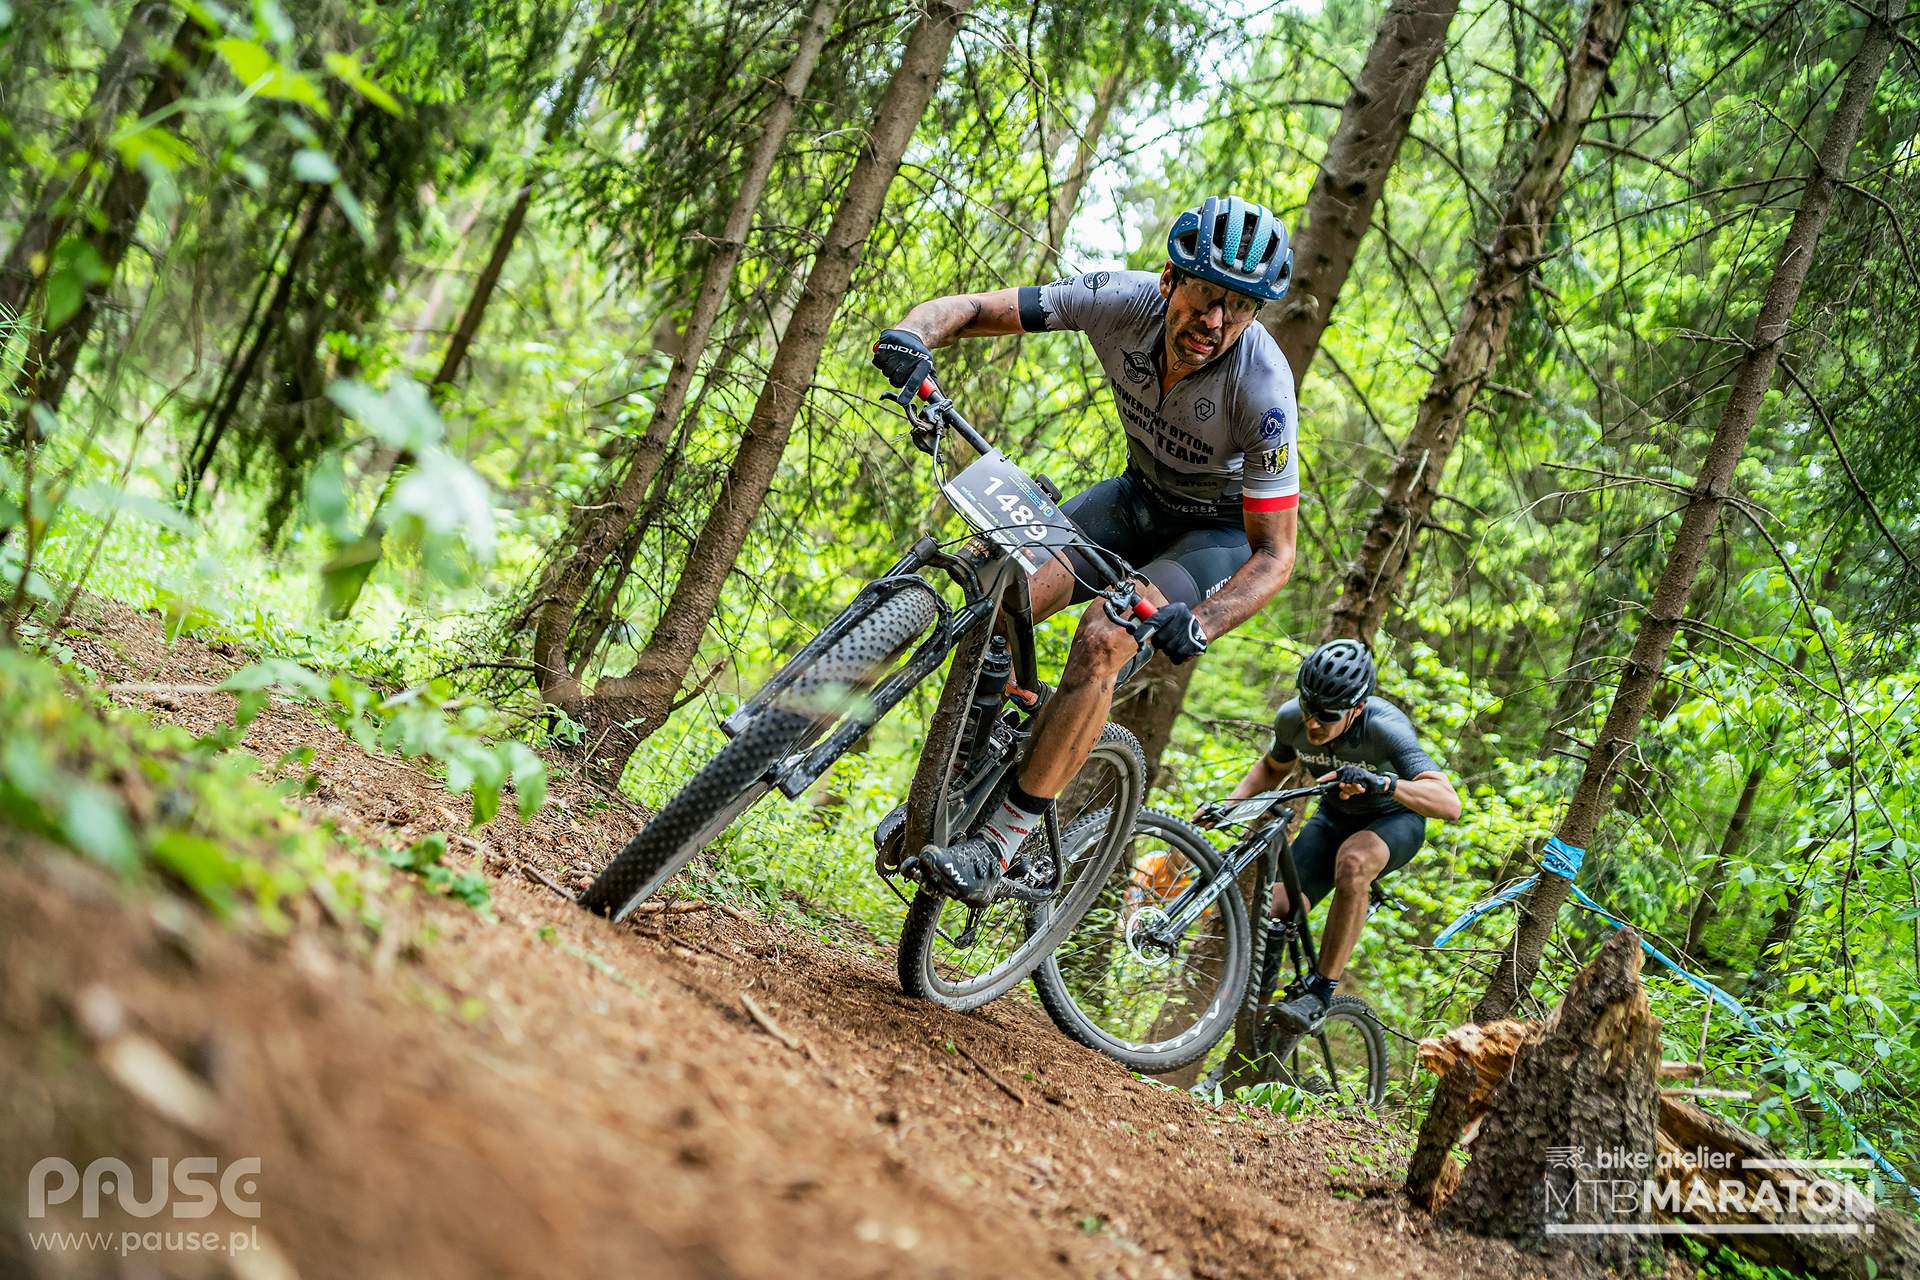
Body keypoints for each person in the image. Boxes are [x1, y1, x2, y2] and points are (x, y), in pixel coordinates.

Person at [870, 195, 1300, 906]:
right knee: (999, 594)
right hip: (1134, 499)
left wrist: (1203, 622)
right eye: (1206, 295)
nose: (1217, 321)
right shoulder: (1118, 299)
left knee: (1104, 638)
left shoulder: (1265, 391)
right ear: (1170, 279)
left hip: (1212, 537)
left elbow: (1276, 555)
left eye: (1241, 308)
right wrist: (911, 336)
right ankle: (958, 773)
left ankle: (1001, 842)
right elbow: (974, 309)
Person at [1215, 638, 1460, 1033]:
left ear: (1357, 708)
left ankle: (1321, 991)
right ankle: (1254, 1025)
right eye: (1309, 708)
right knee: (1275, 908)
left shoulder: (1384, 727)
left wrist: (1383, 783)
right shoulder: (1292, 719)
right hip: (1333, 819)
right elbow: (1273, 767)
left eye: (1327, 715)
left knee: (1353, 861)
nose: (1313, 723)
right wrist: (1229, 804)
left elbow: (1448, 803)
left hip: (1393, 822)